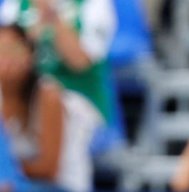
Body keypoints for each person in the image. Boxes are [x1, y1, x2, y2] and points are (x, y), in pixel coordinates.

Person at [0, 0, 119, 153]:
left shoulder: (93, 4)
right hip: (24, 99)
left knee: (50, 99)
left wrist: (51, 17)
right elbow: (9, 53)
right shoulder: (15, 4)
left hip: (79, 100)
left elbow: (79, 61)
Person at [0, 24, 100, 192]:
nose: (8, 59)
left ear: (30, 55)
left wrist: (8, 170)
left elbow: (48, 169)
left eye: (14, 50)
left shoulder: (48, 96)